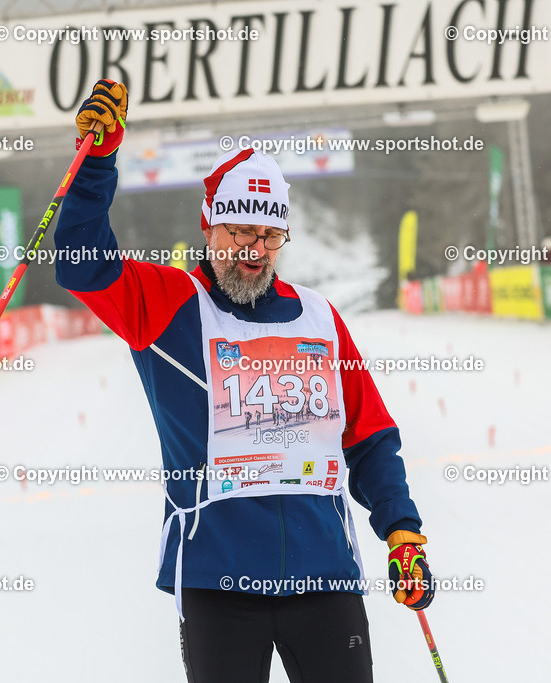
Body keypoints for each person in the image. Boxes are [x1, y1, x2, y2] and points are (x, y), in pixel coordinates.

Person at [55, 80, 433, 683]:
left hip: (323, 574)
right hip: (217, 579)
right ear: (209, 226)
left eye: (269, 235)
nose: (253, 250)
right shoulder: (169, 305)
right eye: (238, 232)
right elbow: (79, 260)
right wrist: (96, 160)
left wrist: (402, 529)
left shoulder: (319, 317)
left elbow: (368, 436)